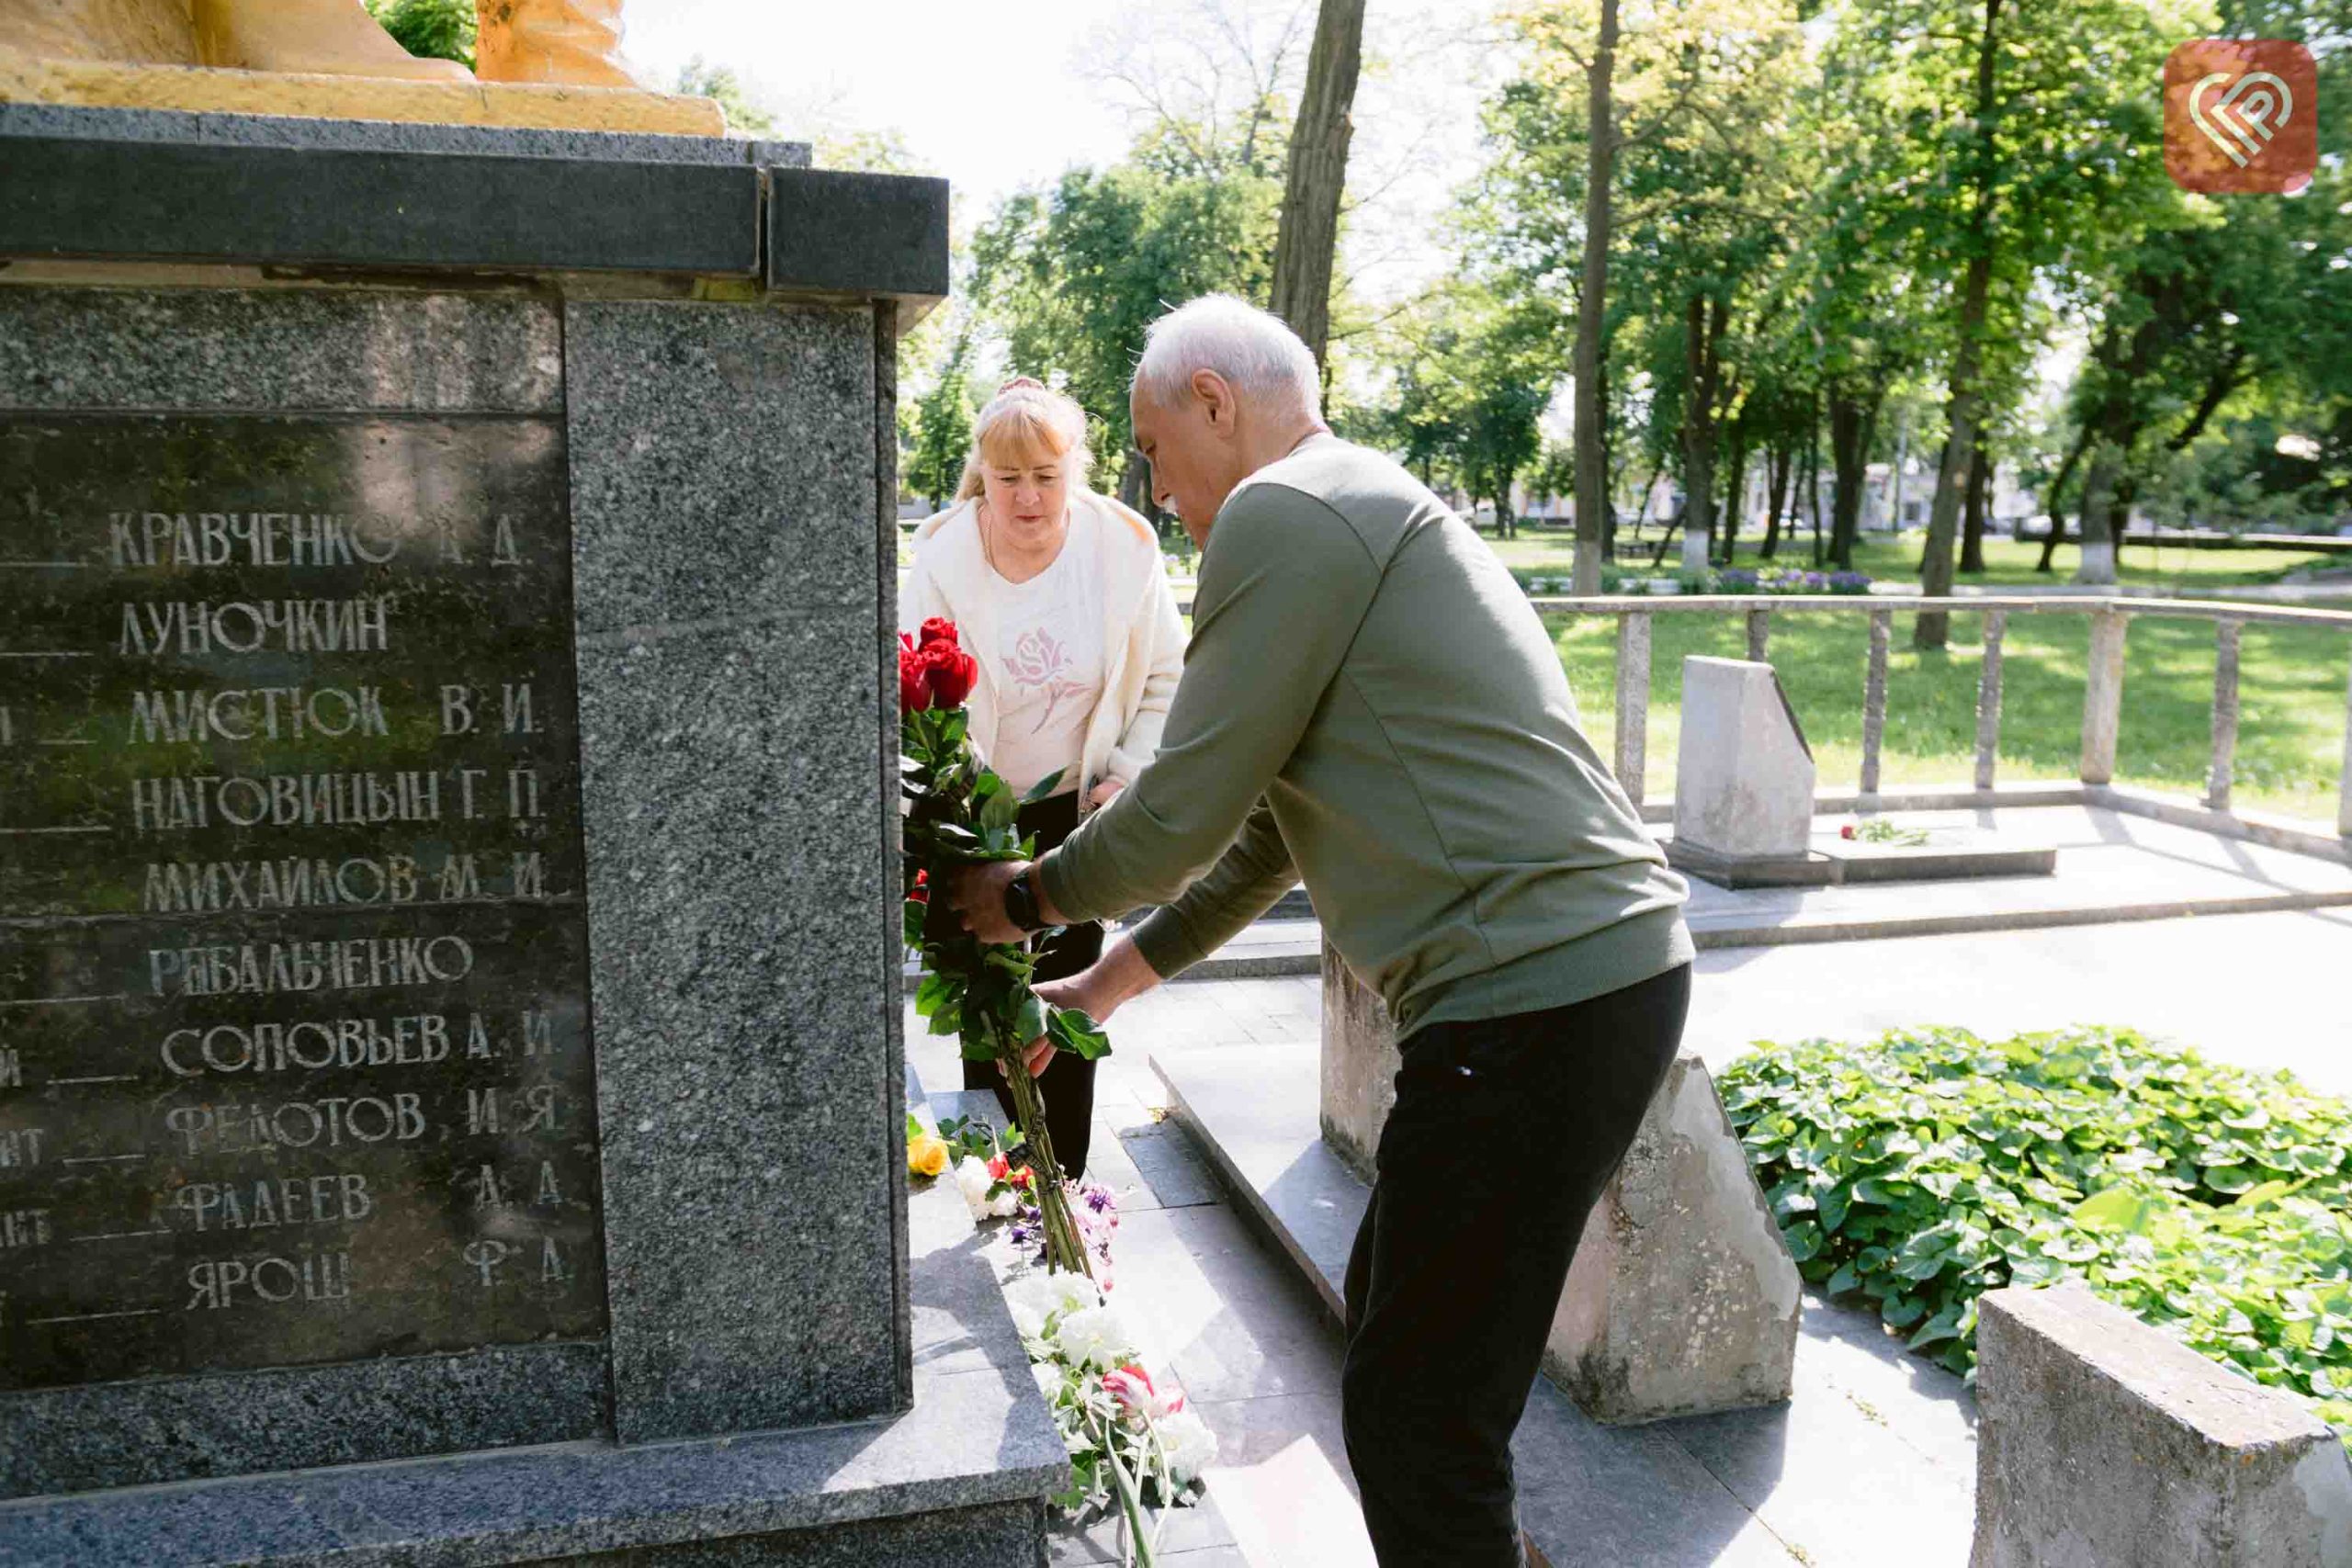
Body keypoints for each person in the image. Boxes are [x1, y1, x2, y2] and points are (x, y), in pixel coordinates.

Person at [946, 299, 1693, 1567]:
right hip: (1576, 989)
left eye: (1150, 443)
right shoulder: (1351, 500)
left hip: (1531, 1001)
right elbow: (1269, 837)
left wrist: (1021, 897)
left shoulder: (1284, 511)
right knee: (1418, 1372)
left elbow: (1181, 806)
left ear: (1215, 402)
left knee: (1419, 1419)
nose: (1154, 483)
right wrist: (1109, 980)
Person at [905, 378, 1186, 1180]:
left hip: (1079, 818)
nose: (1028, 497)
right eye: (1008, 479)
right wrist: (957, 814)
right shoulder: (942, 561)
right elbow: (910, 691)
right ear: (983, 478)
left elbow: (1167, 674)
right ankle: (992, 1184)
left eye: (1047, 477)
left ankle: (1062, 1192)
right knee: (989, 1016)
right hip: (970, 822)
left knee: (1069, 1008)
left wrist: (1128, 772)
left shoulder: (1122, 550)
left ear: (1077, 471)